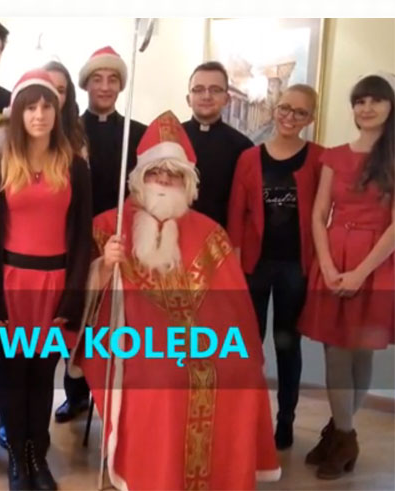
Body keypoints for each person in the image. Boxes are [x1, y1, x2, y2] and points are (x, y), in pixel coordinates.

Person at [70, 111, 280, 490]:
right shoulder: (107, 227)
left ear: (188, 183)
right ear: (139, 178)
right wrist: (103, 266)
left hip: (206, 337)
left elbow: (234, 307)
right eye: (155, 172)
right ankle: (156, 475)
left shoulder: (210, 233)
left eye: (174, 174)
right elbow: (81, 301)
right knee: (163, 376)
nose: (164, 180)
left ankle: (223, 477)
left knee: (241, 371)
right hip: (132, 338)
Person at [0, 69, 92, 490]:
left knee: (42, 375)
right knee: (13, 376)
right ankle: (17, 456)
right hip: (13, 282)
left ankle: (38, 454)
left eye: (47, 106)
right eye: (30, 106)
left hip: (55, 284)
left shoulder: (74, 166)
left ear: (58, 111)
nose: (39, 114)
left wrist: (73, 297)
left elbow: (82, 238)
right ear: (18, 113)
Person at [299, 73, 394, 480]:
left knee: (362, 351)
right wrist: (327, 264)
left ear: (390, 107)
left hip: (376, 263)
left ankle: (341, 434)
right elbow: (320, 214)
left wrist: (360, 272)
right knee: (335, 349)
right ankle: (343, 433)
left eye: (375, 100)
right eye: (360, 101)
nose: (366, 108)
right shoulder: (334, 156)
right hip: (334, 258)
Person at [227, 84, 324, 449]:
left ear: (310, 118)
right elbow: (237, 214)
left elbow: (323, 213)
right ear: (274, 108)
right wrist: (235, 265)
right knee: (248, 346)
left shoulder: (319, 159)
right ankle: (247, 419)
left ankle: (285, 420)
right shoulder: (249, 158)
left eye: (300, 112)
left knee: (287, 345)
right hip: (254, 266)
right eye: (284, 108)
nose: (289, 116)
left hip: (294, 268)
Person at [54, 46, 146, 425]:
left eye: (112, 79)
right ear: (86, 85)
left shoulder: (137, 134)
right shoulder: (68, 132)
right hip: (78, 240)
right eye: (97, 79)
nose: (105, 87)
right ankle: (75, 393)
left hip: (122, 240)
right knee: (78, 317)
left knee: (117, 319)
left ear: (121, 85)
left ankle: (114, 396)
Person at [182, 61, 254, 228]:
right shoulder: (170, 138)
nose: (206, 96)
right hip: (176, 233)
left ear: (226, 99)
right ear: (188, 99)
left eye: (215, 90)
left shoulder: (243, 147)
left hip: (222, 235)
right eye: (198, 89)